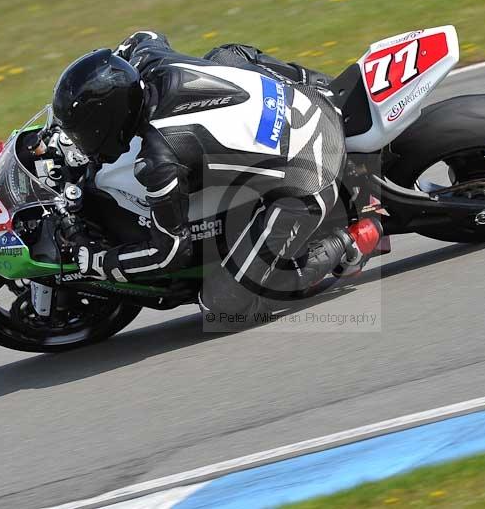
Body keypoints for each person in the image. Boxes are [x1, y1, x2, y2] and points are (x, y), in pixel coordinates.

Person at [52, 31, 382, 318]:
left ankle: (351, 243)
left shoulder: (161, 158)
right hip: (302, 97)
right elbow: (144, 36)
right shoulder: (149, 60)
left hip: (312, 167)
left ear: (107, 120)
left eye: (85, 132)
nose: (83, 141)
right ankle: (315, 83)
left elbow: (168, 252)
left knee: (221, 303)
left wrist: (100, 262)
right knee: (226, 55)